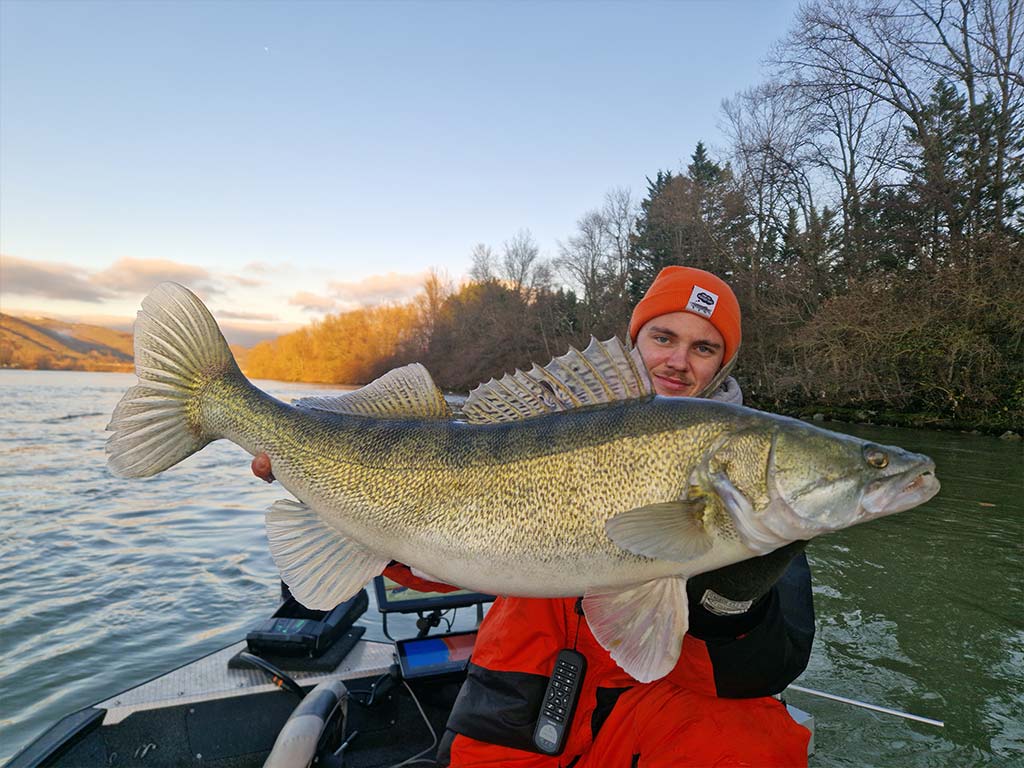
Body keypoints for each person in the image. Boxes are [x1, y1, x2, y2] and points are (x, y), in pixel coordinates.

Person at [252, 266, 815, 767]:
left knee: (757, 743)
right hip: (512, 697)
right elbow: (449, 546)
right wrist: (333, 491)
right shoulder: (552, 413)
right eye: (663, 337)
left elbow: (766, 666)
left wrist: (732, 600)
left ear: (722, 365)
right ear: (634, 341)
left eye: (704, 348)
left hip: (650, 710)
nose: (677, 360)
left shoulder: (753, 479)